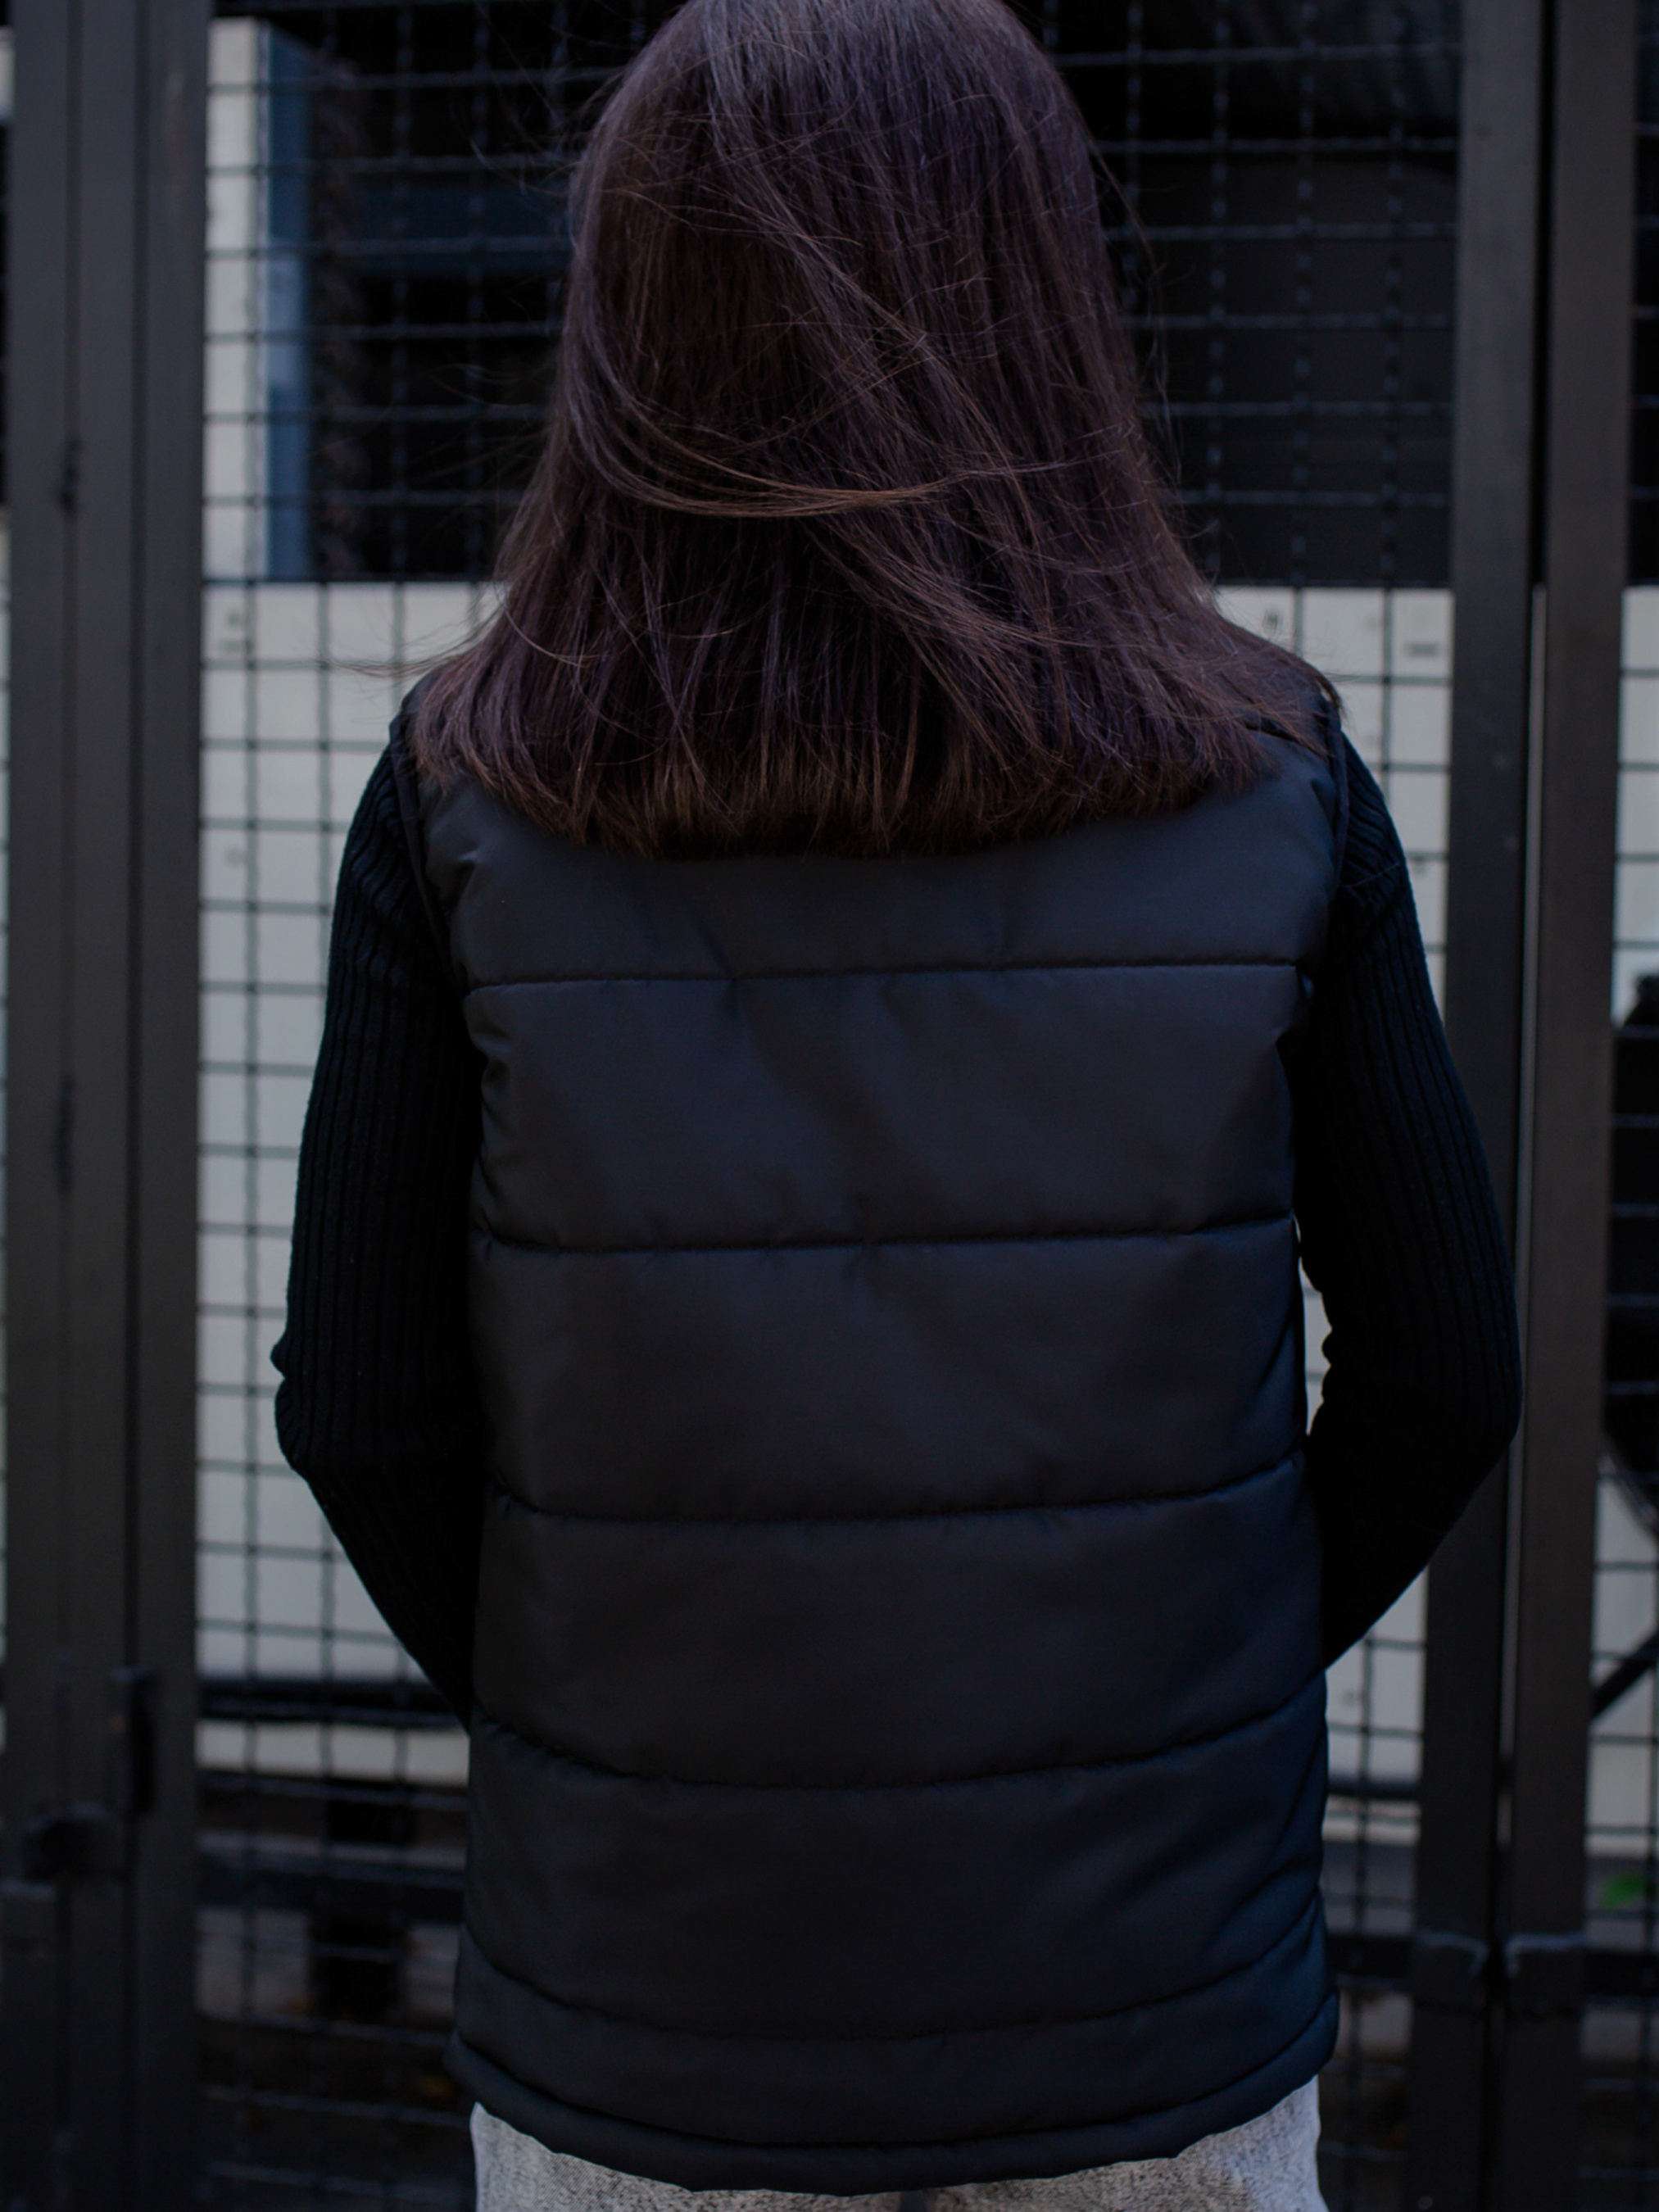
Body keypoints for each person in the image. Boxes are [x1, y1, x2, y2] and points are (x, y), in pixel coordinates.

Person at [274, 2, 1521, 2205]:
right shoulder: (1277, 779)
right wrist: (1180, 1680)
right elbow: (1444, 1368)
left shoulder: (466, 791)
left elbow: (366, 1412)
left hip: (646, 2014)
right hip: (1151, 1997)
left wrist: (605, 1715)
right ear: (1040, 297)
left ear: (633, 311)